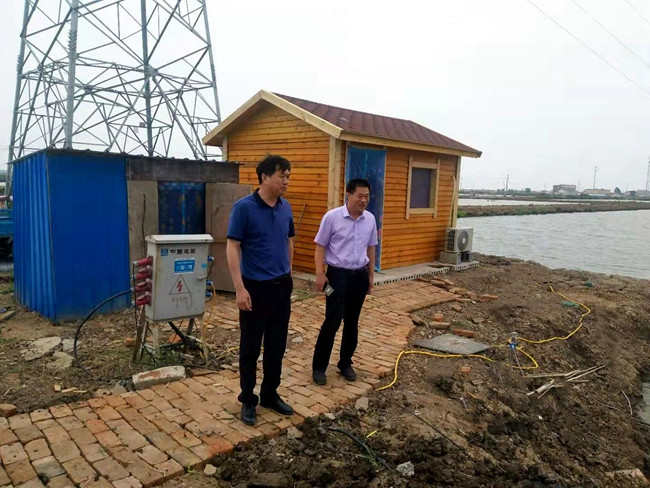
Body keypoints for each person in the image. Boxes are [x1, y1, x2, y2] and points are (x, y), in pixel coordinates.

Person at [226, 154, 295, 426]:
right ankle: (247, 399)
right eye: (282, 176)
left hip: (281, 287)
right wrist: (239, 288)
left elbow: (289, 240)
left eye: (288, 176)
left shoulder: (286, 207)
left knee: (276, 346)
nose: (286, 181)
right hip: (254, 288)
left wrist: (288, 271)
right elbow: (232, 246)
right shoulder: (243, 208)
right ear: (264, 177)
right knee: (250, 348)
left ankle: (269, 394)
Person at [312, 179, 378, 385]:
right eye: (360, 196)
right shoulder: (332, 217)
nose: (364, 200)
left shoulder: (370, 219)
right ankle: (319, 367)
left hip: (359, 276)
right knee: (332, 321)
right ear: (348, 195)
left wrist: (370, 275)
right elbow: (320, 247)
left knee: (352, 322)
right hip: (336, 277)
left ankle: (345, 363)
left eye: (367, 196)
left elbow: (371, 247)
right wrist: (319, 274)